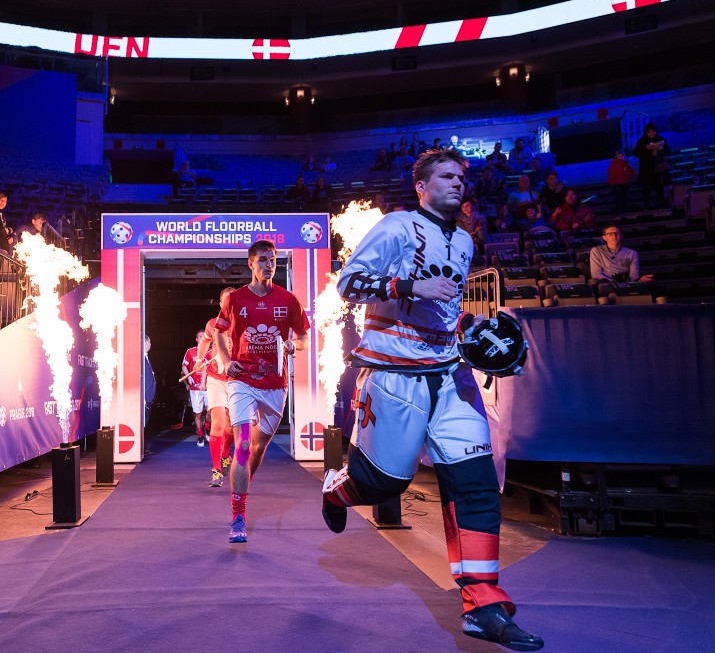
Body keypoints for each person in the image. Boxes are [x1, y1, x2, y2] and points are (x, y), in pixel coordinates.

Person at [323, 148, 543, 651]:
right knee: (381, 484)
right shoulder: (396, 227)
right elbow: (348, 284)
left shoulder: (464, 240)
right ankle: (338, 489)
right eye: (446, 176)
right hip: (394, 372)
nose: (458, 183)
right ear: (420, 185)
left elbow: (444, 311)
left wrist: (474, 332)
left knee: (476, 482)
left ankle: (482, 604)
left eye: (461, 176)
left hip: (449, 374)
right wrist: (409, 282)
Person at [214, 242, 310, 543]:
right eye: (263, 260)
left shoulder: (288, 299)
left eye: (273, 260)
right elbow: (219, 330)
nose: (269, 265)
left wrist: (297, 346)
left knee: (257, 448)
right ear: (250, 264)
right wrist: (227, 361)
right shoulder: (236, 299)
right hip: (242, 381)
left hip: (275, 385)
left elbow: (304, 337)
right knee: (242, 445)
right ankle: (238, 516)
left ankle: (243, 482)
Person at [198, 288, 236, 488]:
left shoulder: (244, 325)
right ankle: (216, 470)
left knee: (231, 426)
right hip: (215, 379)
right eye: (225, 301)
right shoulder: (213, 324)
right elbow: (204, 341)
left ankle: (224, 454)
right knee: (218, 423)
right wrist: (198, 359)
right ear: (221, 304)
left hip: (236, 380)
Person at [181, 330, 209, 447]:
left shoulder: (211, 352)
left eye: (204, 336)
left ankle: (207, 428)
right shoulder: (190, 351)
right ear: (197, 339)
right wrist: (189, 378)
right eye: (200, 336)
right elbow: (184, 366)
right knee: (197, 412)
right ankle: (200, 434)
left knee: (210, 411)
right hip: (195, 387)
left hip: (209, 387)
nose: (202, 338)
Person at [633, 123, 669, 209]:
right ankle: (647, 203)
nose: (652, 133)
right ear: (646, 133)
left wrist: (661, 149)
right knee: (646, 188)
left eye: (653, 131)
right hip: (646, 169)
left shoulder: (661, 139)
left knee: (659, 187)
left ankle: (660, 203)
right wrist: (646, 148)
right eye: (649, 132)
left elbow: (668, 150)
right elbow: (636, 152)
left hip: (658, 167)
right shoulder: (641, 141)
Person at [607, 150, 636, 215]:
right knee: (619, 197)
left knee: (624, 197)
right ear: (616, 156)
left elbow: (631, 173)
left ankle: (623, 209)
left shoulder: (625, 164)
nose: (620, 157)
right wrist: (612, 183)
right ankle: (618, 210)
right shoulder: (614, 164)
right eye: (618, 156)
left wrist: (627, 170)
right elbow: (611, 174)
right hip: (617, 184)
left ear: (624, 156)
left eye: (621, 156)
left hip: (624, 183)